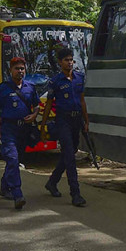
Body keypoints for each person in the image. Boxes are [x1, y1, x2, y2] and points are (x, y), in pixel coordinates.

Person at [0, 56, 39, 211]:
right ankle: (17, 194)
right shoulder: (3, 89)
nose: (20, 71)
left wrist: (35, 115)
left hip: (24, 130)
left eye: (22, 68)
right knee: (13, 158)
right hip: (8, 129)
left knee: (14, 161)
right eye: (17, 68)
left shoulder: (30, 87)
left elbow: (36, 105)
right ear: (10, 70)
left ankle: (4, 187)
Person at [41, 47, 88, 207]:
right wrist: (43, 126)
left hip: (77, 121)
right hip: (63, 121)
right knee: (70, 157)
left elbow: (82, 101)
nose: (70, 63)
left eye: (71, 59)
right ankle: (75, 194)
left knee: (71, 151)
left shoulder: (79, 78)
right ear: (60, 62)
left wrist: (86, 122)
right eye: (66, 60)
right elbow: (48, 105)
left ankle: (52, 182)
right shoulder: (55, 82)